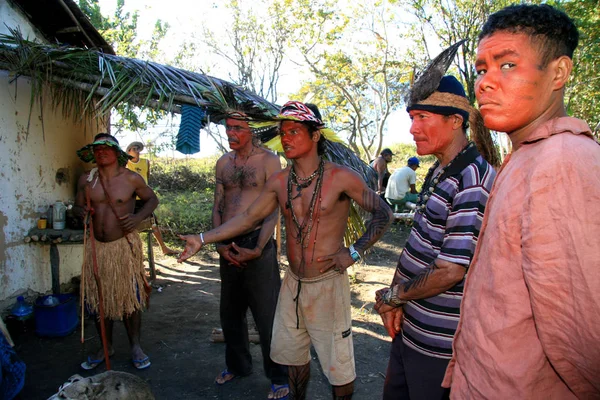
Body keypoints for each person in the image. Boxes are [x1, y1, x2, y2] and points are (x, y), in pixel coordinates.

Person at [178, 101, 393, 400]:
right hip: (293, 284)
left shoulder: (341, 177)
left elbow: (383, 213)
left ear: (315, 135)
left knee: (339, 367)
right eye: (283, 132)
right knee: (293, 358)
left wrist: (353, 252)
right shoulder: (280, 181)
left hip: (327, 284)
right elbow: (247, 218)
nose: (286, 138)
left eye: (294, 131)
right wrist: (203, 237)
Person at [442, 5, 600, 398]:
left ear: (559, 73)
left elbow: (582, 333)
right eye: (482, 70)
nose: (485, 83)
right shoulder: (525, 157)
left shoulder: (562, 163)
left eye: (508, 65)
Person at [374, 73, 498, 399]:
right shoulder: (440, 168)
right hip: (412, 327)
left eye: (422, 118)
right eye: (412, 118)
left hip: (439, 345)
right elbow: (418, 243)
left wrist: (393, 296)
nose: (413, 128)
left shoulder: (474, 178)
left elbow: (450, 270)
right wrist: (395, 298)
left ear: (455, 120)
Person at [209, 113, 289, 400]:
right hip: (227, 242)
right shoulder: (222, 163)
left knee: (267, 315)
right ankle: (238, 366)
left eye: (238, 128)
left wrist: (258, 247)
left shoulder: (268, 160)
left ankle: (279, 377)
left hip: (258, 243)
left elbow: (274, 207)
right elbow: (218, 204)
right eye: (228, 128)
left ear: (251, 131)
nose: (231, 133)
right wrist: (218, 241)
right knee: (230, 314)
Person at [74, 133, 158, 371]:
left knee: (129, 299)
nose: (101, 151)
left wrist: (138, 218)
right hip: (97, 250)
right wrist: (78, 212)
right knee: (99, 302)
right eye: (97, 148)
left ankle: (136, 346)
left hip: (122, 249)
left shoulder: (131, 178)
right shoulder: (86, 180)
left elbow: (152, 200)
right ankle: (106, 346)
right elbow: (77, 205)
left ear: (117, 153)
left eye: (106, 148)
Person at [125, 141, 177, 256]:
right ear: (129, 151)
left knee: (153, 222)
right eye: (134, 148)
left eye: (138, 149)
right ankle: (135, 252)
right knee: (132, 224)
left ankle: (163, 248)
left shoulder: (145, 162)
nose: (137, 151)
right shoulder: (126, 164)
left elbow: (146, 177)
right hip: (131, 199)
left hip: (144, 198)